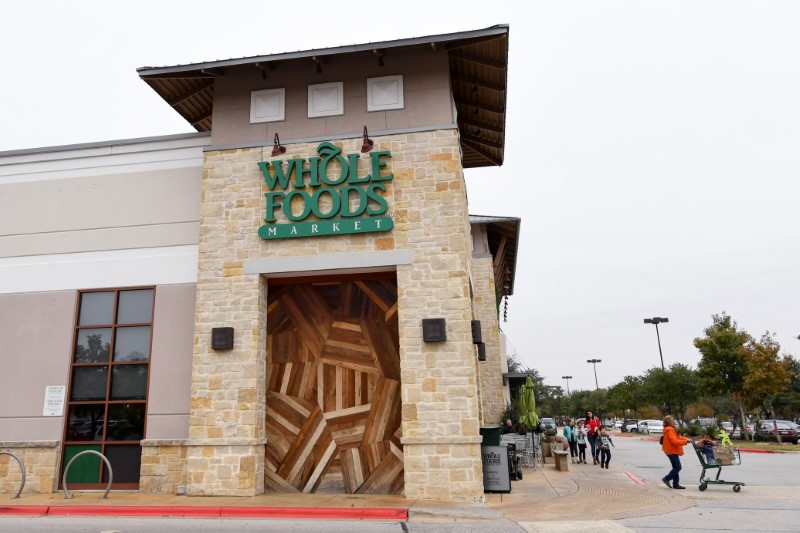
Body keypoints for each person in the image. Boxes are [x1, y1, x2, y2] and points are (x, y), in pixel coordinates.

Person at [661, 415, 691, 489]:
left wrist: (686, 439)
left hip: (670, 450)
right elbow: (674, 441)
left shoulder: (669, 429)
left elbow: (678, 437)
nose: (674, 421)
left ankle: (676, 484)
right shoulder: (670, 430)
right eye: (672, 420)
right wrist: (685, 442)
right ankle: (666, 478)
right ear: (668, 422)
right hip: (671, 451)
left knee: (675, 467)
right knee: (678, 467)